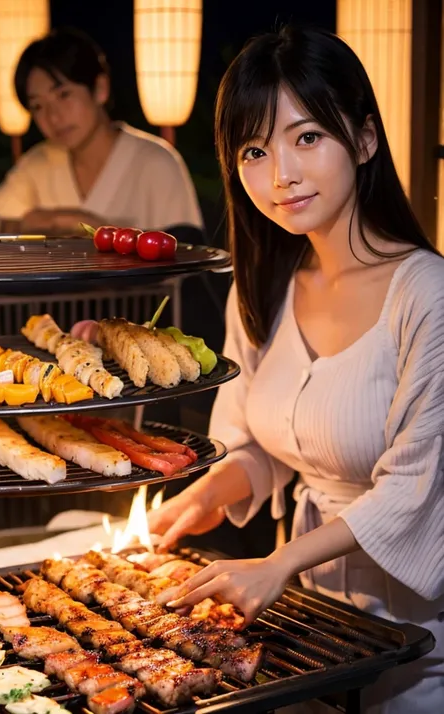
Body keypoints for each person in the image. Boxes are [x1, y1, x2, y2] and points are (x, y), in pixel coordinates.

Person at [147, 25, 444, 713]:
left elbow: (415, 487)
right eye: (255, 149)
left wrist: (280, 562)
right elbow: (262, 443)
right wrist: (210, 493)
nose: (280, 174)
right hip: (310, 632)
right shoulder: (265, 287)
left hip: (418, 639)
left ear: (364, 139)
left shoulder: (425, 293)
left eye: (306, 137)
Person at [0, 28, 203, 235]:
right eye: (38, 106)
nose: (53, 116)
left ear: (100, 88)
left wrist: (90, 227)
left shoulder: (156, 162)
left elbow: (188, 257)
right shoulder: (38, 164)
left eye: (64, 95)